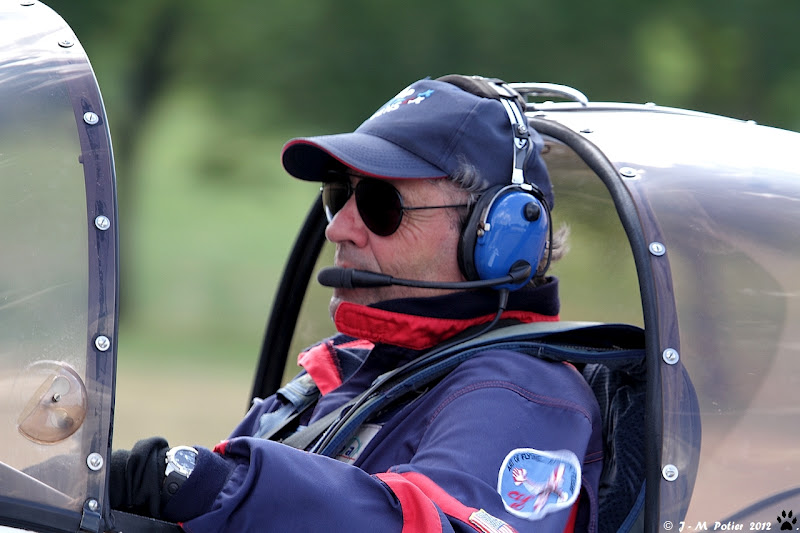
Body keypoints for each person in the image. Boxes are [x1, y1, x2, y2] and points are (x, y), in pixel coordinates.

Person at [110, 75, 604, 533]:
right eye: (337, 195)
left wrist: (205, 484)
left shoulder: (518, 393)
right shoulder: (338, 376)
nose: (339, 228)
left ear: (498, 235)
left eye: (380, 204)